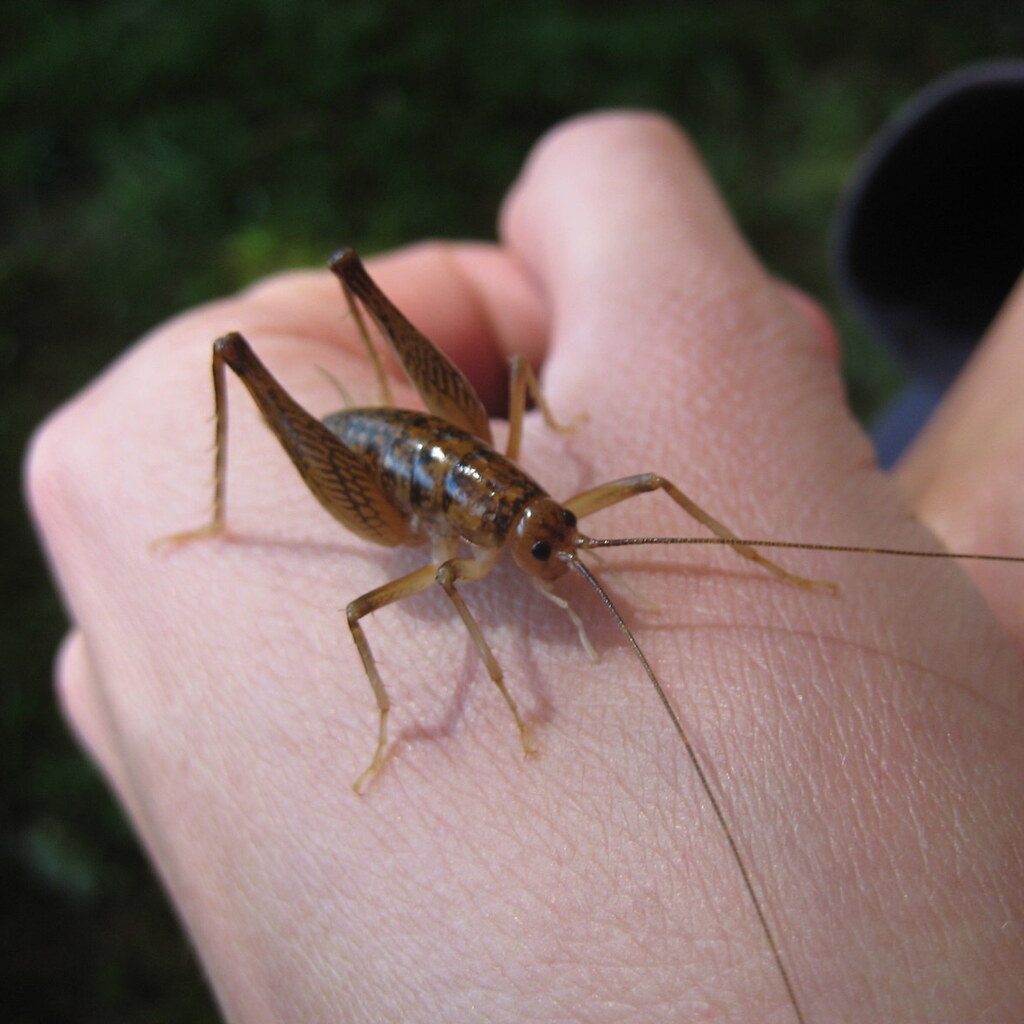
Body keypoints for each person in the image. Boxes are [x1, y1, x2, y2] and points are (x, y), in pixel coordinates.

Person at [26, 112, 1024, 1022]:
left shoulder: (546, 516)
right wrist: (502, 693)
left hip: (451, 451)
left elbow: (574, 433)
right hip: (381, 485)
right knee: (366, 559)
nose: (565, 551)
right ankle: (216, 513)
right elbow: (399, 598)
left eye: (557, 536)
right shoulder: (463, 560)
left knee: (605, 461)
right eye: (551, 543)